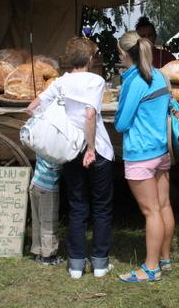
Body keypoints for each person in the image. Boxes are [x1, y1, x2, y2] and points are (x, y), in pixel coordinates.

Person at [26, 36, 115, 279]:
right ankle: (100, 263)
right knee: (101, 207)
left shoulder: (60, 83)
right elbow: (90, 115)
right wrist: (91, 148)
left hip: (70, 149)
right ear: (90, 59)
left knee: (77, 206)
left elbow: (32, 108)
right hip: (97, 149)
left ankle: (76, 264)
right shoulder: (96, 81)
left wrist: (55, 124)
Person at [115, 31, 174, 283]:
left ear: (126, 53)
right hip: (161, 150)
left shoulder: (135, 81)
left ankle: (151, 269)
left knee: (151, 212)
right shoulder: (160, 75)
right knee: (163, 206)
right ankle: (165, 259)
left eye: (119, 53)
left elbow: (121, 123)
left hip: (141, 153)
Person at [26, 155, 63, 266]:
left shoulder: (41, 146)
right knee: (49, 223)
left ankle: (38, 251)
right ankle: (48, 256)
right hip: (48, 187)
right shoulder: (53, 150)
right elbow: (55, 165)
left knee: (37, 221)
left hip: (35, 184)